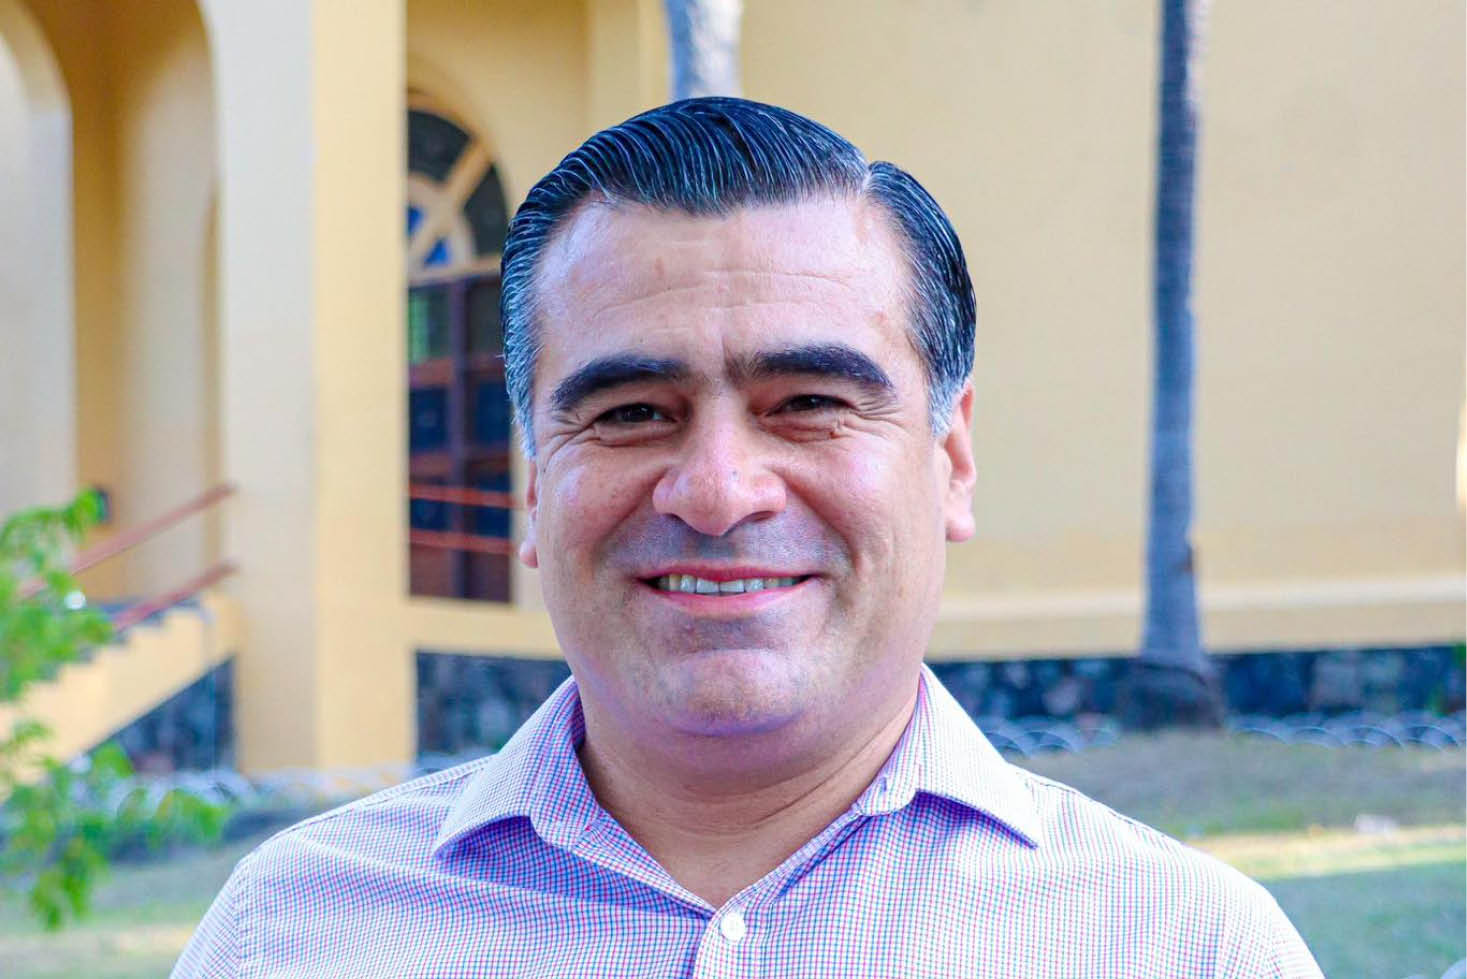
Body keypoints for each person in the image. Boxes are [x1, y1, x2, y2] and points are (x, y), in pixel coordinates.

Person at [174, 97, 1321, 978]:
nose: (718, 492)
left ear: (953, 458)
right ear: (534, 482)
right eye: (632, 413)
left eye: (809, 402)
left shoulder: (1182, 947)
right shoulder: (292, 936)